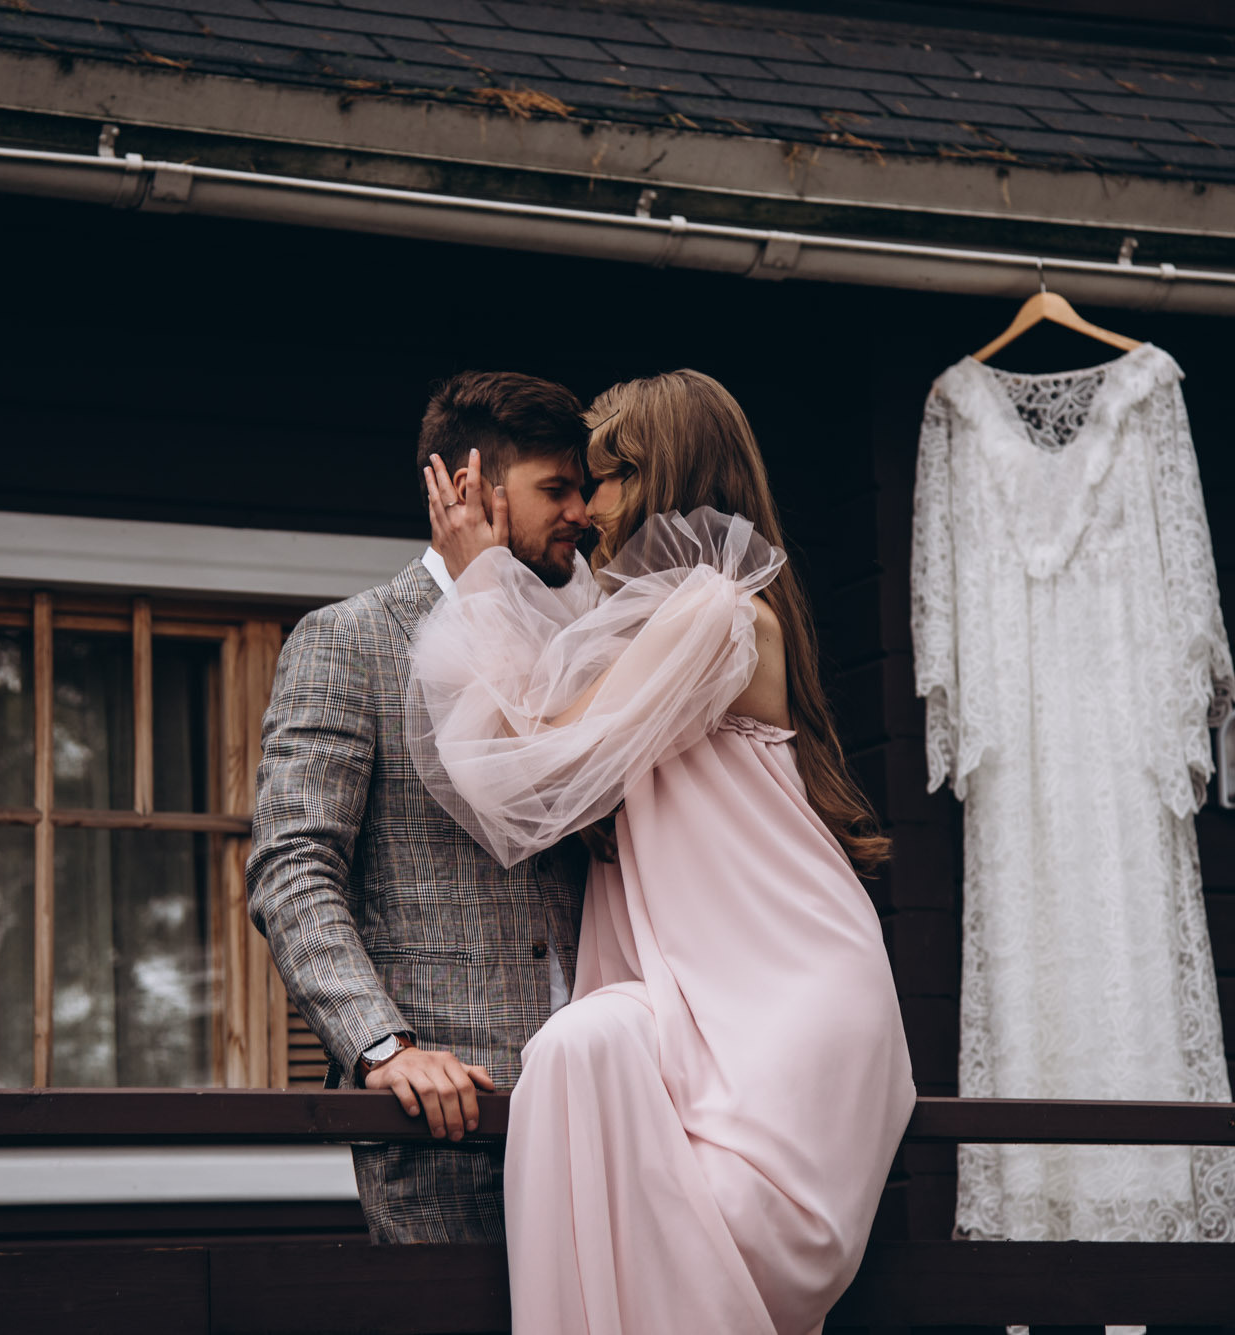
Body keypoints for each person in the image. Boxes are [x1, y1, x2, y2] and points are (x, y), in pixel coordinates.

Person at [409, 369, 915, 1334]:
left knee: (613, 1086)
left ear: (657, 475)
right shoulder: (656, 615)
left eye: (600, 478)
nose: (587, 506)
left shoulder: (715, 613)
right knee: (577, 1047)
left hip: (779, 993)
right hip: (699, 992)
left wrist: (482, 584)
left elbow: (545, 752)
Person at [248, 370, 593, 1244]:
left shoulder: (576, 645)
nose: (582, 512)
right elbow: (294, 868)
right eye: (557, 488)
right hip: (445, 1117)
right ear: (471, 488)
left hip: (597, 1106)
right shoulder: (349, 640)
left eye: (583, 488)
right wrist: (384, 1047)